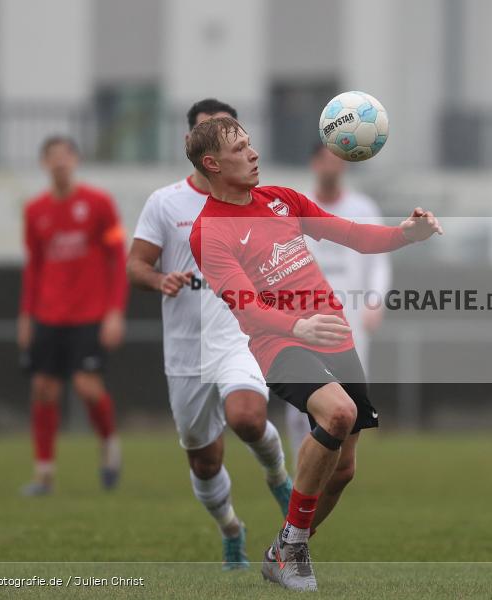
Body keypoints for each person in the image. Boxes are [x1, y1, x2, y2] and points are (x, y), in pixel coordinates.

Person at [186, 116, 442, 591]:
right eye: (240, 148)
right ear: (212, 164)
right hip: (280, 343)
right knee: (339, 413)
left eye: (250, 143)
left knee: (343, 470)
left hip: (335, 336)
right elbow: (244, 303)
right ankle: (294, 550)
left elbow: (354, 235)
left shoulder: (283, 199)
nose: (253, 153)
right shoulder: (209, 231)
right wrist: (296, 325)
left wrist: (406, 234)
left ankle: (284, 546)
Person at [127, 99, 293, 570]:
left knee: (246, 416)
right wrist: (160, 279)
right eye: (207, 136)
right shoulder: (165, 203)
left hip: (237, 336)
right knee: (204, 461)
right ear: (192, 146)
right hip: (184, 348)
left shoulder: (257, 199)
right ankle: (232, 531)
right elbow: (136, 264)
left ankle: (279, 478)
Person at [18, 135, 127, 496]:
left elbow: (118, 258)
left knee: (86, 386)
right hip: (48, 314)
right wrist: (26, 315)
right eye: (52, 157)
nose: (59, 162)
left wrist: (114, 311)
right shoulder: (35, 210)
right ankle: (44, 473)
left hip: (90, 314)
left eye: (65, 155)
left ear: (76, 160)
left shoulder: (98, 203)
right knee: (43, 389)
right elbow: (33, 265)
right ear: (44, 164)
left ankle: (110, 444)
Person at [284, 144, 391, 465]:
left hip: (350, 318)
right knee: (300, 400)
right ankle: (300, 469)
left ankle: (335, 468)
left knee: (349, 399)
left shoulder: (363, 208)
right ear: (314, 163)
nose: (331, 167)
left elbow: (380, 259)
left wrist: (375, 301)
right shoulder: (294, 207)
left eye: (337, 161)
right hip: (302, 318)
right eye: (325, 160)